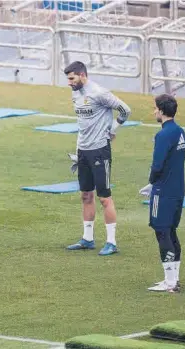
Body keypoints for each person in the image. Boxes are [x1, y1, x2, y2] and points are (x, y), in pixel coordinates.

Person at [63, 61, 131, 256]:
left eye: (71, 78)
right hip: (83, 150)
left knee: (104, 197)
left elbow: (125, 109)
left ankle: (112, 242)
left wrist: (113, 128)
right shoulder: (75, 92)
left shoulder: (100, 93)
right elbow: (83, 123)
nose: (69, 83)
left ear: (82, 75)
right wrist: (78, 150)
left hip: (100, 150)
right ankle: (87, 239)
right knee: (86, 195)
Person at [139, 94, 185, 293]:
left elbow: (157, 164)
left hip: (163, 191)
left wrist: (151, 183)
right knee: (171, 231)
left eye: (155, 108)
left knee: (162, 231)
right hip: (177, 189)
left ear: (161, 110)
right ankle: (174, 278)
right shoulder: (180, 131)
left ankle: (169, 282)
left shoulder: (163, 135)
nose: (154, 111)